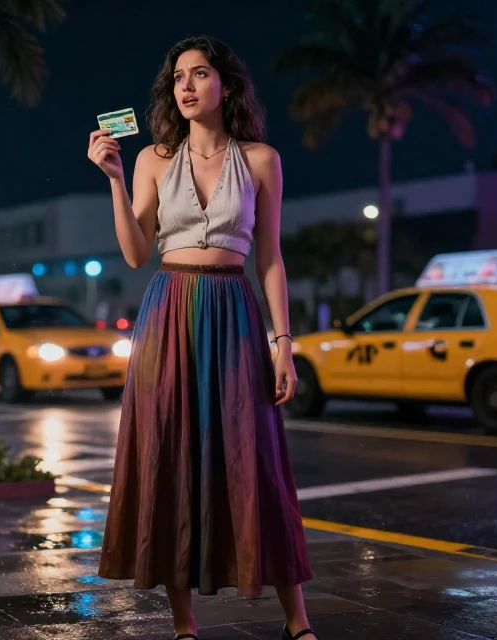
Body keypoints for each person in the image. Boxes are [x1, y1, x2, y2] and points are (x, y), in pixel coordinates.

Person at [87, 36, 316, 640]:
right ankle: (183, 623)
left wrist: (282, 339)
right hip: (169, 308)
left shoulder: (261, 160)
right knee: (169, 453)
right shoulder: (153, 159)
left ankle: (297, 618)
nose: (185, 86)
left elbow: (269, 257)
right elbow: (137, 253)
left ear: (228, 85)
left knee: (256, 453)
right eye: (178, 78)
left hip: (235, 307)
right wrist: (113, 178)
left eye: (200, 74)